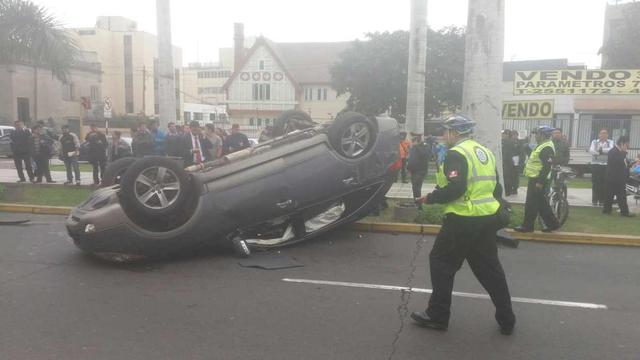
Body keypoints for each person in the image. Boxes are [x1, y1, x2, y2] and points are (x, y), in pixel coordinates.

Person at [412, 114, 515, 335]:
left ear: (455, 133)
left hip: (462, 219)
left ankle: (437, 315)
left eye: (445, 131)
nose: (443, 136)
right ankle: (507, 318)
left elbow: (455, 189)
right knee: (489, 269)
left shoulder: (456, 153)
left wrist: (430, 198)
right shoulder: (484, 152)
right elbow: (496, 188)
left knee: (441, 262)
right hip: (486, 219)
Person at [514, 126, 560, 233]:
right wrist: (527, 149)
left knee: (531, 203)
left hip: (538, 179)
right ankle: (553, 224)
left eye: (538, 134)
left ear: (543, 135)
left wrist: (540, 182)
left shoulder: (546, 147)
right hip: (535, 178)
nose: (536, 136)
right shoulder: (542, 145)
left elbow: (546, 166)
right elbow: (536, 158)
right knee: (540, 203)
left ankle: (527, 226)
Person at [603, 136, 634, 217]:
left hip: (620, 179)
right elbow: (616, 162)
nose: (627, 147)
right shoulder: (613, 151)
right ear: (622, 144)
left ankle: (625, 213)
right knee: (609, 196)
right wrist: (623, 153)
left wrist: (632, 163)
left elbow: (624, 164)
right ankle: (606, 212)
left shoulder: (621, 153)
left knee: (622, 197)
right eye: (626, 145)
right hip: (612, 178)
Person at [589, 129, 614, 206]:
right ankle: (594, 200)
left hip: (606, 165)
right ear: (599, 135)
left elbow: (611, 150)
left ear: (607, 135)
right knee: (595, 183)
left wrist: (600, 151)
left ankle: (602, 200)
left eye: (605, 133)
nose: (603, 135)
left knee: (604, 183)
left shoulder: (610, 142)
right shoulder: (594, 141)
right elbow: (591, 150)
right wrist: (601, 152)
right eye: (602, 133)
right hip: (595, 164)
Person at [406, 133, 431, 200]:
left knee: (417, 187)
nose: (412, 141)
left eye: (414, 139)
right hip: (413, 171)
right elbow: (412, 158)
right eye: (412, 139)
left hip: (420, 171)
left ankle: (418, 205)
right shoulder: (414, 147)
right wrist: (408, 168)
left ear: (419, 138)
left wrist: (417, 146)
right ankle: (416, 202)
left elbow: (424, 154)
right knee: (414, 187)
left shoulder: (425, 145)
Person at [501, 130, 516, 196]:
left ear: (507, 135)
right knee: (508, 176)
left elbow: (505, 153)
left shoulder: (506, 142)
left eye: (504, 134)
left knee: (506, 177)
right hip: (509, 161)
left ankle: (507, 191)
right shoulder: (511, 142)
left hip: (506, 161)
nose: (502, 135)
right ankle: (508, 190)